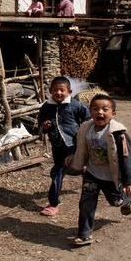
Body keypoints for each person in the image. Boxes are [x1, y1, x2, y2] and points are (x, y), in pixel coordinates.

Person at [68, 93, 131, 246]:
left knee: (116, 201)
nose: (100, 112)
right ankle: (84, 234)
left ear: (113, 114)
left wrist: (128, 181)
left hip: (112, 176)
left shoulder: (119, 134)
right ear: (90, 112)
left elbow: (127, 158)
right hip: (92, 173)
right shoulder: (86, 128)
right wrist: (73, 158)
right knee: (86, 203)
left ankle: (126, 199)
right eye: (95, 109)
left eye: (105, 109)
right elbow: (78, 144)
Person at [37, 76, 90, 216]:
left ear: (69, 91)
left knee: (83, 169)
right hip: (58, 146)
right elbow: (40, 123)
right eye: (55, 90)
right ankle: (54, 203)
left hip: (75, 145)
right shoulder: (47, 107)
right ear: (50, 91)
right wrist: (45, 126)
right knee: (58, 172)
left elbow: (88, 119)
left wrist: (86, 135)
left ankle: (95, 188)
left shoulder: (76, 105)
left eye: (62, 90)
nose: (58, 93)